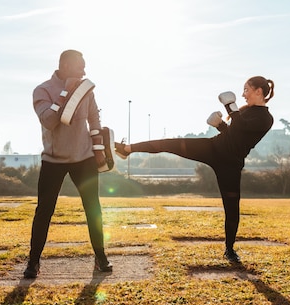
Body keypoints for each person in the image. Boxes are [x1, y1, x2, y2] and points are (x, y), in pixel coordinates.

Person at [115, 76, 275, 263]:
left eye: (246, 90)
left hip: (230, 164)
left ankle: (230, 250)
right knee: (171, 143)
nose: (243, 94)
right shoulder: (245, 112)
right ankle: (127, 149)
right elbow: (234, 134)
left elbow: (242, 129)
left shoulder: (265, 118)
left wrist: (230, 105)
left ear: (259, 91)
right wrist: (221, 126)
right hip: (213, 148)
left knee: (231, 207)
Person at [24, 49, 112, 279]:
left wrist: (99, 151)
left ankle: (100, 257)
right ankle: (33, 262)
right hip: (54, 160)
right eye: (79, 66)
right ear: (64, 66)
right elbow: (50, 121)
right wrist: (66, 92)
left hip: (84, 158)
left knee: (94, 209)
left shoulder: (87, 91)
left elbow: (94, 119)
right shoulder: (42, 90)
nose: (84, 70)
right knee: (44, 211)